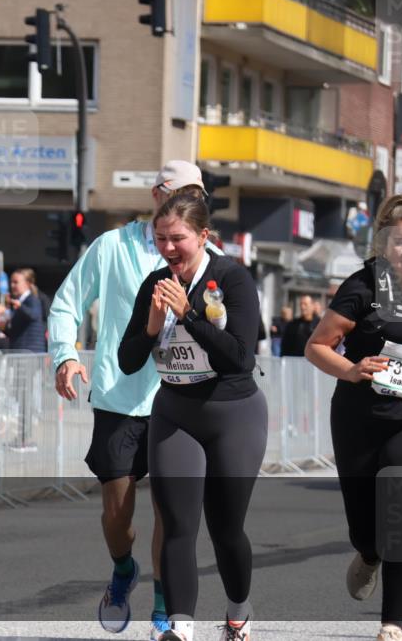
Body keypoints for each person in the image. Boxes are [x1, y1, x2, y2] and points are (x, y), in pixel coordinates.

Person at [49, 159, 213, 640]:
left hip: (178, 400)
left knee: (170, 509)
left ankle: (163, 605)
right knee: (118, 514)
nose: (189, 203)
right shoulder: (112, 246)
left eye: (198, 196)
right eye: (181, 193)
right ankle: (123, 569)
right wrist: (65, 355)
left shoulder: (208, 253)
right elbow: (66, 302)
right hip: (120, 398)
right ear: (157, 194)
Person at [118, 193, 266, 641]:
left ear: (203, 236)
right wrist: (151, 325)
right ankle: (181, 627)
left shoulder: (233, 279)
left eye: (177, 239)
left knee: (226, 530)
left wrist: (190, 314)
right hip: (176, 412)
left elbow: (239, 357)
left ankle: (239, 608)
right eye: (160, 239)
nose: (168, 249)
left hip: (233, 414)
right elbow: (127, 361)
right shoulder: (155, 284)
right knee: (179, 524)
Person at [305, 194, 402, 641]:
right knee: (367, 525)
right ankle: (367, 552)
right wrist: (350, 369)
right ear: (385, 245)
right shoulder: (362, 287)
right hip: (358, 417)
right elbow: (317, 346)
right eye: (400, 242)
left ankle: (393, 625)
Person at [5, 267, 47, 353]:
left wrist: (20, 306)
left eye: (15, 282)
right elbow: (16, 331)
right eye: (11, 282)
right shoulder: (19, 302)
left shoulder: (33, 300)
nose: (12, 285)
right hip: (20, 352)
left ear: (27, 284)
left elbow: (34, 315)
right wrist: (3, 327)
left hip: (30, 353)